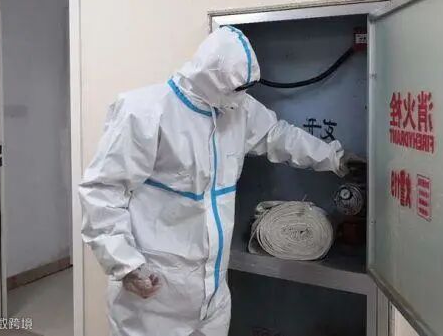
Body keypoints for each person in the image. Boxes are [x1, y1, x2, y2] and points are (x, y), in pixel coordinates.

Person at [79, 26, 364, 336]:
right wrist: (125, 263)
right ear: (210, 77)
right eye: (235, 88)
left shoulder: (237, 109)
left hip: (212, 293)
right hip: (155, 294)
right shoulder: (145, 112)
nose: (241, 95)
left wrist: (334, 158)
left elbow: (278, 136)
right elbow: (102, 191)